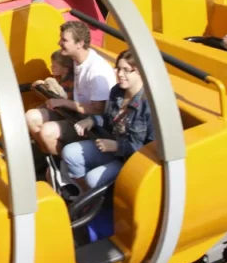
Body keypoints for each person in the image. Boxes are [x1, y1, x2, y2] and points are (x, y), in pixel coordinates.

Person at [62, 52, 156, 193]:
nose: (120, 74)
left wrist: (117, 146)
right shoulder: (117, 91)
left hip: (130, 160)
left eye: (127, 70)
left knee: (93, 179)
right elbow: (108, 118)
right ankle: (86, 195)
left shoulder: (150, 105)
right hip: (111, 147)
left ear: (141, 72)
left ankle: (100, 199)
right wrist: (92, 120)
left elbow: (151, 149)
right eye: (118, 68)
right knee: (69, 152)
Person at [25, 20, 117, 156]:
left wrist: (63, 102)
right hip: (74, 114)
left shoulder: (97, 72)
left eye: (64, 40)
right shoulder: (75, 60)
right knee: (30, 117)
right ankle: (49, 156)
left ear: (79, 44)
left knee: (47, 131)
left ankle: (64, 167)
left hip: (92, 125)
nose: (59, 43)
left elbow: (99, 110)